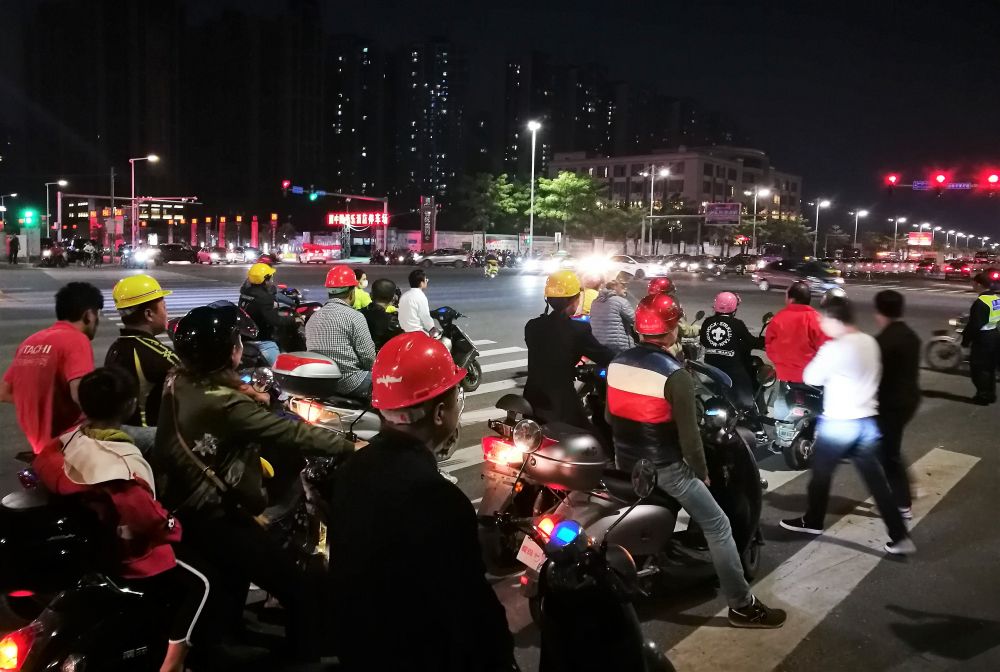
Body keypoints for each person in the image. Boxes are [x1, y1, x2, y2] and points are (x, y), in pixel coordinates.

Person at [151, 303, 355, 662]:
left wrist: (250, 392)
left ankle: (227, 643)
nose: (241, 346)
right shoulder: (226, 405)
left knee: (232, 576)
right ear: (229, 350)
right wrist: (351, 446)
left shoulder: (178, 379)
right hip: (216, 515)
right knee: (296, 588)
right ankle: (305, 659)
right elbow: (289, 433)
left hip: (184, 504)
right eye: (237, 341)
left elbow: (224, 401)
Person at [328, 332, 514, 671]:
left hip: (356, 648)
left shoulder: (352, 469)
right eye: (456, 396)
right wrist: (488, 516)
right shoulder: (438, 500)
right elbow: (472, 615)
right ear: (440, 413)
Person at [607, 293, 786, 628]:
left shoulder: (618, 362)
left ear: (639, 329)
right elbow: (690, 438)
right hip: (665, 468)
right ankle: (742, 606)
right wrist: (701, 472)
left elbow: (609, 416)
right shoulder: (675, 375)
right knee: (718, 525)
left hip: (626, 461)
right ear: (673, 329)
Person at [34, 368, 208, 672]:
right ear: (130, 405)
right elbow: (149, 521)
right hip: (133, 556)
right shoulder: (121, 466)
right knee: (202, 583)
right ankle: (173, 663)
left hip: (96, 546)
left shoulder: (68, 440)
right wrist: (174, 525)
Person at [780, 294, 915, 555]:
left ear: (835, 320)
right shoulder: (870, 342)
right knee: (876, 483)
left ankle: (813, 521)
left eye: (824, 320)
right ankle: (899, 536)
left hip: (839, 423)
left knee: (820, 477)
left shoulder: (834, 348)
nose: (822, 325)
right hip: (866, 422)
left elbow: (811, 376)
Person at [0, 282, 102, 453]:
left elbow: (4, 392)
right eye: (98, 314)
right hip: (70, 445)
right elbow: (82, 394)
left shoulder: (30, 341)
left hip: (39, 448)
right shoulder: (77, 340)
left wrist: (43, 404)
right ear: (89, 315)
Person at [523, 270, 613, 429]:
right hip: (560, 406)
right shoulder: (578, 330)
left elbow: (549, 353)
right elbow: (605, 356)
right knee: (594, 438)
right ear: (574, 300)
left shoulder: (532, 326)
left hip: (532, 400)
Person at [104, 274, 180, 427]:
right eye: (164, 307)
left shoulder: (115, 349)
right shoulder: (159, 355)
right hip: (148, 437)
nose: (167, 313)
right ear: (149, 314)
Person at [873, 290, 921, 519]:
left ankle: (902, 504)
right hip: (908, 400)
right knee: (889, 449)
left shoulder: (883, 341)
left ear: (879, 311)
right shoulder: (910, 335)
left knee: (888, 454)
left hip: (891, 404)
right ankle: (905, 490)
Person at [305, 266, 377, 400]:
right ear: (352, 292)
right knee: (393, 382)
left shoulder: (313, 318)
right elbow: (368, 358)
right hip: (350, 382)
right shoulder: (355, 316)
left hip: (322, 382)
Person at [700, 291, 764, 412]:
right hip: (731, 367)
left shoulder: (707, 322)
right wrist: (764, 342)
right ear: (734, 307)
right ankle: (749, 412)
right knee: (746, 386)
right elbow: (751, 341)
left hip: (710, 366)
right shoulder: (737, 324)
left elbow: (703, 341)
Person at [764, 281, 829, 384]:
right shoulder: (817, 320)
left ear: (792, 299)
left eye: (786, 296)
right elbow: (828, 349)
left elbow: (769, 345)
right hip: (811, 378)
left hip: (784, 376)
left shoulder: (778, 318)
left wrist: (779, 362)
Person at [238, 263, 297, 365]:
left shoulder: (245, 293)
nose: (272, 280)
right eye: (271, 278)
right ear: (265, 280)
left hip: (245, 337)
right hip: (262, 341)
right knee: (280, 368)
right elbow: (273, 320)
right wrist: (293, 320)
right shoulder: (264, 297)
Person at [962, 272, 1000, 404]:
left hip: (983, 340)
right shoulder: (996, 299)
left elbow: (974, 325)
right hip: (995, 336)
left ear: (978, 284)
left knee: (979, 368)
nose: (972, 285)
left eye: (973, 283)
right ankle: (991, 394)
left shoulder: (980, 303)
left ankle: (983, 396)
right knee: (990, 368)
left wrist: (965, 341)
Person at [646, 276, 700, 358]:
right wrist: (700, 329)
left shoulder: (645, 307)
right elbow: (684, 330)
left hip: (647, 349)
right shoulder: (667, 309)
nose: (672, 297)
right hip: (668, 351)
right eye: (670, 294)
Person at [590, 279, 636, 355]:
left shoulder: (595, 302)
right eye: (623, 286)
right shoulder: (621, 301)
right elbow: (636, 319)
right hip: (618, 345)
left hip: (598, 343)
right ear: (615, 287)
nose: (626, 289)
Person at [360, 278, 403, 350]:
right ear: (393, 299)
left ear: (371, 295)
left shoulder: (359, 314)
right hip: (383, 355)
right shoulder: (393, 323)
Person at [398, 268, 435, 335]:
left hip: (403, 331)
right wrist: (432, 329)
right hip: (416, 332)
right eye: (426, 280)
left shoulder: (404, 295)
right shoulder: (420, 296)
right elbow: (425, 317)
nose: (427, 281)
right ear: (421, 283)